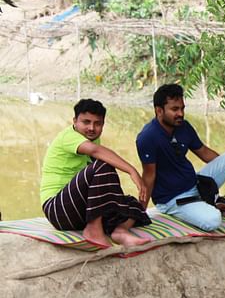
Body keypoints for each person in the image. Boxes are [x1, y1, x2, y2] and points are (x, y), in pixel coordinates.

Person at [136, 83, 225, 234]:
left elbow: (204, 152)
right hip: (173, 200)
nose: (181, 114)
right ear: (159, 111)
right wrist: (141, 213)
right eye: (175, 109)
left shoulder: (183, 127)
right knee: (213, 220)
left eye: (182, 108)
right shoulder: (147, 137)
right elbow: (149, 176)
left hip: (196, 184)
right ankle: (206, 205)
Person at [40, 99, 151, 248]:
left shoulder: (93, 139)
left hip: (81, 212)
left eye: (97, 123)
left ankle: (120, 231)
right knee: (103, 164)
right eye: (86, 122)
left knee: (131, 204)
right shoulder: (68, 137)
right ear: (75, 121)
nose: (91, 128)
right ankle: (94, 229)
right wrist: (132, 171)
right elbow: (96, 151)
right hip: (58, 209)